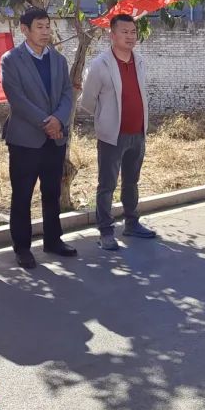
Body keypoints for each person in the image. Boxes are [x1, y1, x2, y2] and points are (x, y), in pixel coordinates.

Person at [1, 7, 77, 268]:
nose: (45, 32)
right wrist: (47, 123)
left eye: (47, 26)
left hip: (55, 139)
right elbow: (17, 99)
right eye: (39, 27)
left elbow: (67, 93)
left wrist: (59, 120)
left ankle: (53, 240)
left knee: (52, 191)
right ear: (25, 29)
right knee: (22, 195)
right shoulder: (11, 60)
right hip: (25, 140)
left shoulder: (58, 59)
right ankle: (22, 247)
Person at [79, 13, 157, 250]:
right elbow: (88, 101)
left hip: (137, 133)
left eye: (133, 32)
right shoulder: (100, 64)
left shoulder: (139, 61)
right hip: (112, 135)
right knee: (107, 184)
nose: (130, 36)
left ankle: (132, 223)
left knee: (131, 182)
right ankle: (105, 231)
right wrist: (106, 118)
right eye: (125, 32)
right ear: (112, 35)